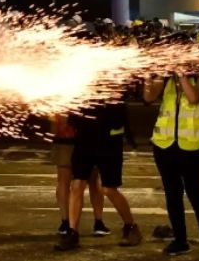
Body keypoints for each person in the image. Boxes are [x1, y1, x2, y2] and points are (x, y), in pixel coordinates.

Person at [143, 34, 199, 261]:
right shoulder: (165, 77)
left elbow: (195, 97)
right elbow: (148, 97)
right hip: (165, 146)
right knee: (172, 196)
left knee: (197, 196)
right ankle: (180, 240)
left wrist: (181, 72)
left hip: (192, 147)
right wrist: (150, 73)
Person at [56, 98, 142, 251]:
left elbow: (118, 111)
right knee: (77, 184)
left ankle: (131, 226)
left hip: (109, 140)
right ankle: (72, 232)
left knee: (108, 188)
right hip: (84, 138)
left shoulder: (114, 80)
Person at [50, 114, 108, 237]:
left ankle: (66, 223)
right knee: (92, 180)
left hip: (68, 135)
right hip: (85, 136)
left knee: (64, 180)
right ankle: (98, 222)